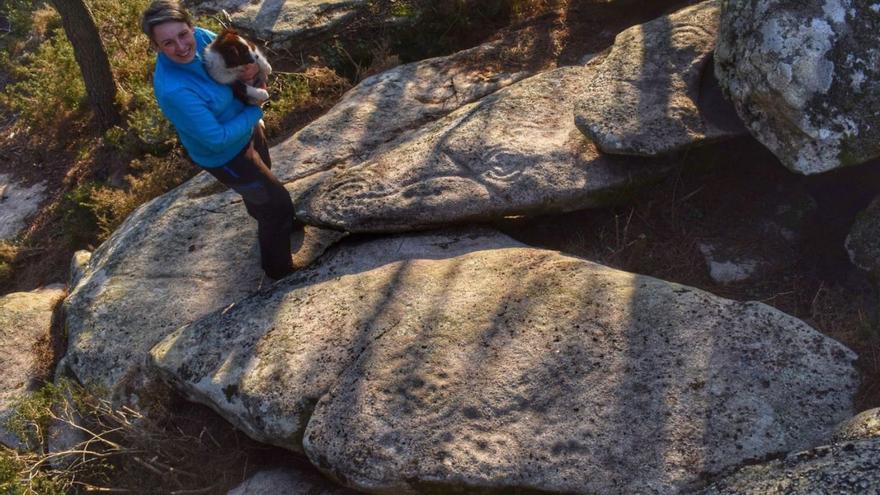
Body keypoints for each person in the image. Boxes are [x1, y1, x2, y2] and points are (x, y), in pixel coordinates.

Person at [141, 0, 298, 280]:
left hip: (248, 129)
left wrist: (252, 72)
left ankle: (274, 222)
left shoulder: (202, 37)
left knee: (264, 195)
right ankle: (279, 272)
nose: (181, 46)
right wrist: (255, 111)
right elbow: (216, 139)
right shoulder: (174, 88)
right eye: (167, 43)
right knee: (278, 204)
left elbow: (241, 59)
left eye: (182, 34)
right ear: (156, 47)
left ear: (191, 26)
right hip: (227, 157)